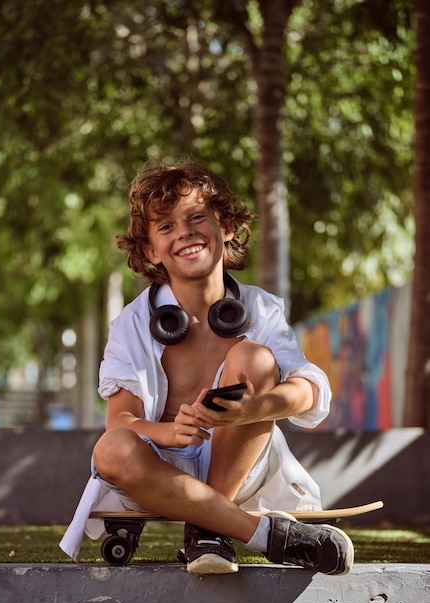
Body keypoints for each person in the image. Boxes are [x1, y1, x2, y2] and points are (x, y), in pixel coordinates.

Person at [60, 159, 353, 576]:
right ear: (150, 250)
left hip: (240, 469)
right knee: (110, 448)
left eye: (197, 217)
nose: (184, 232)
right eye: (165, 227)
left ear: (226, 226)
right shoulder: (131, 323)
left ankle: (207, 524)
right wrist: (167, 431)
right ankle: (260, 536)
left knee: (255, 357)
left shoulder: (260, 309)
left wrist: (258, 407)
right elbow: (119, 422)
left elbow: (310, 389)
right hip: (161, 475)